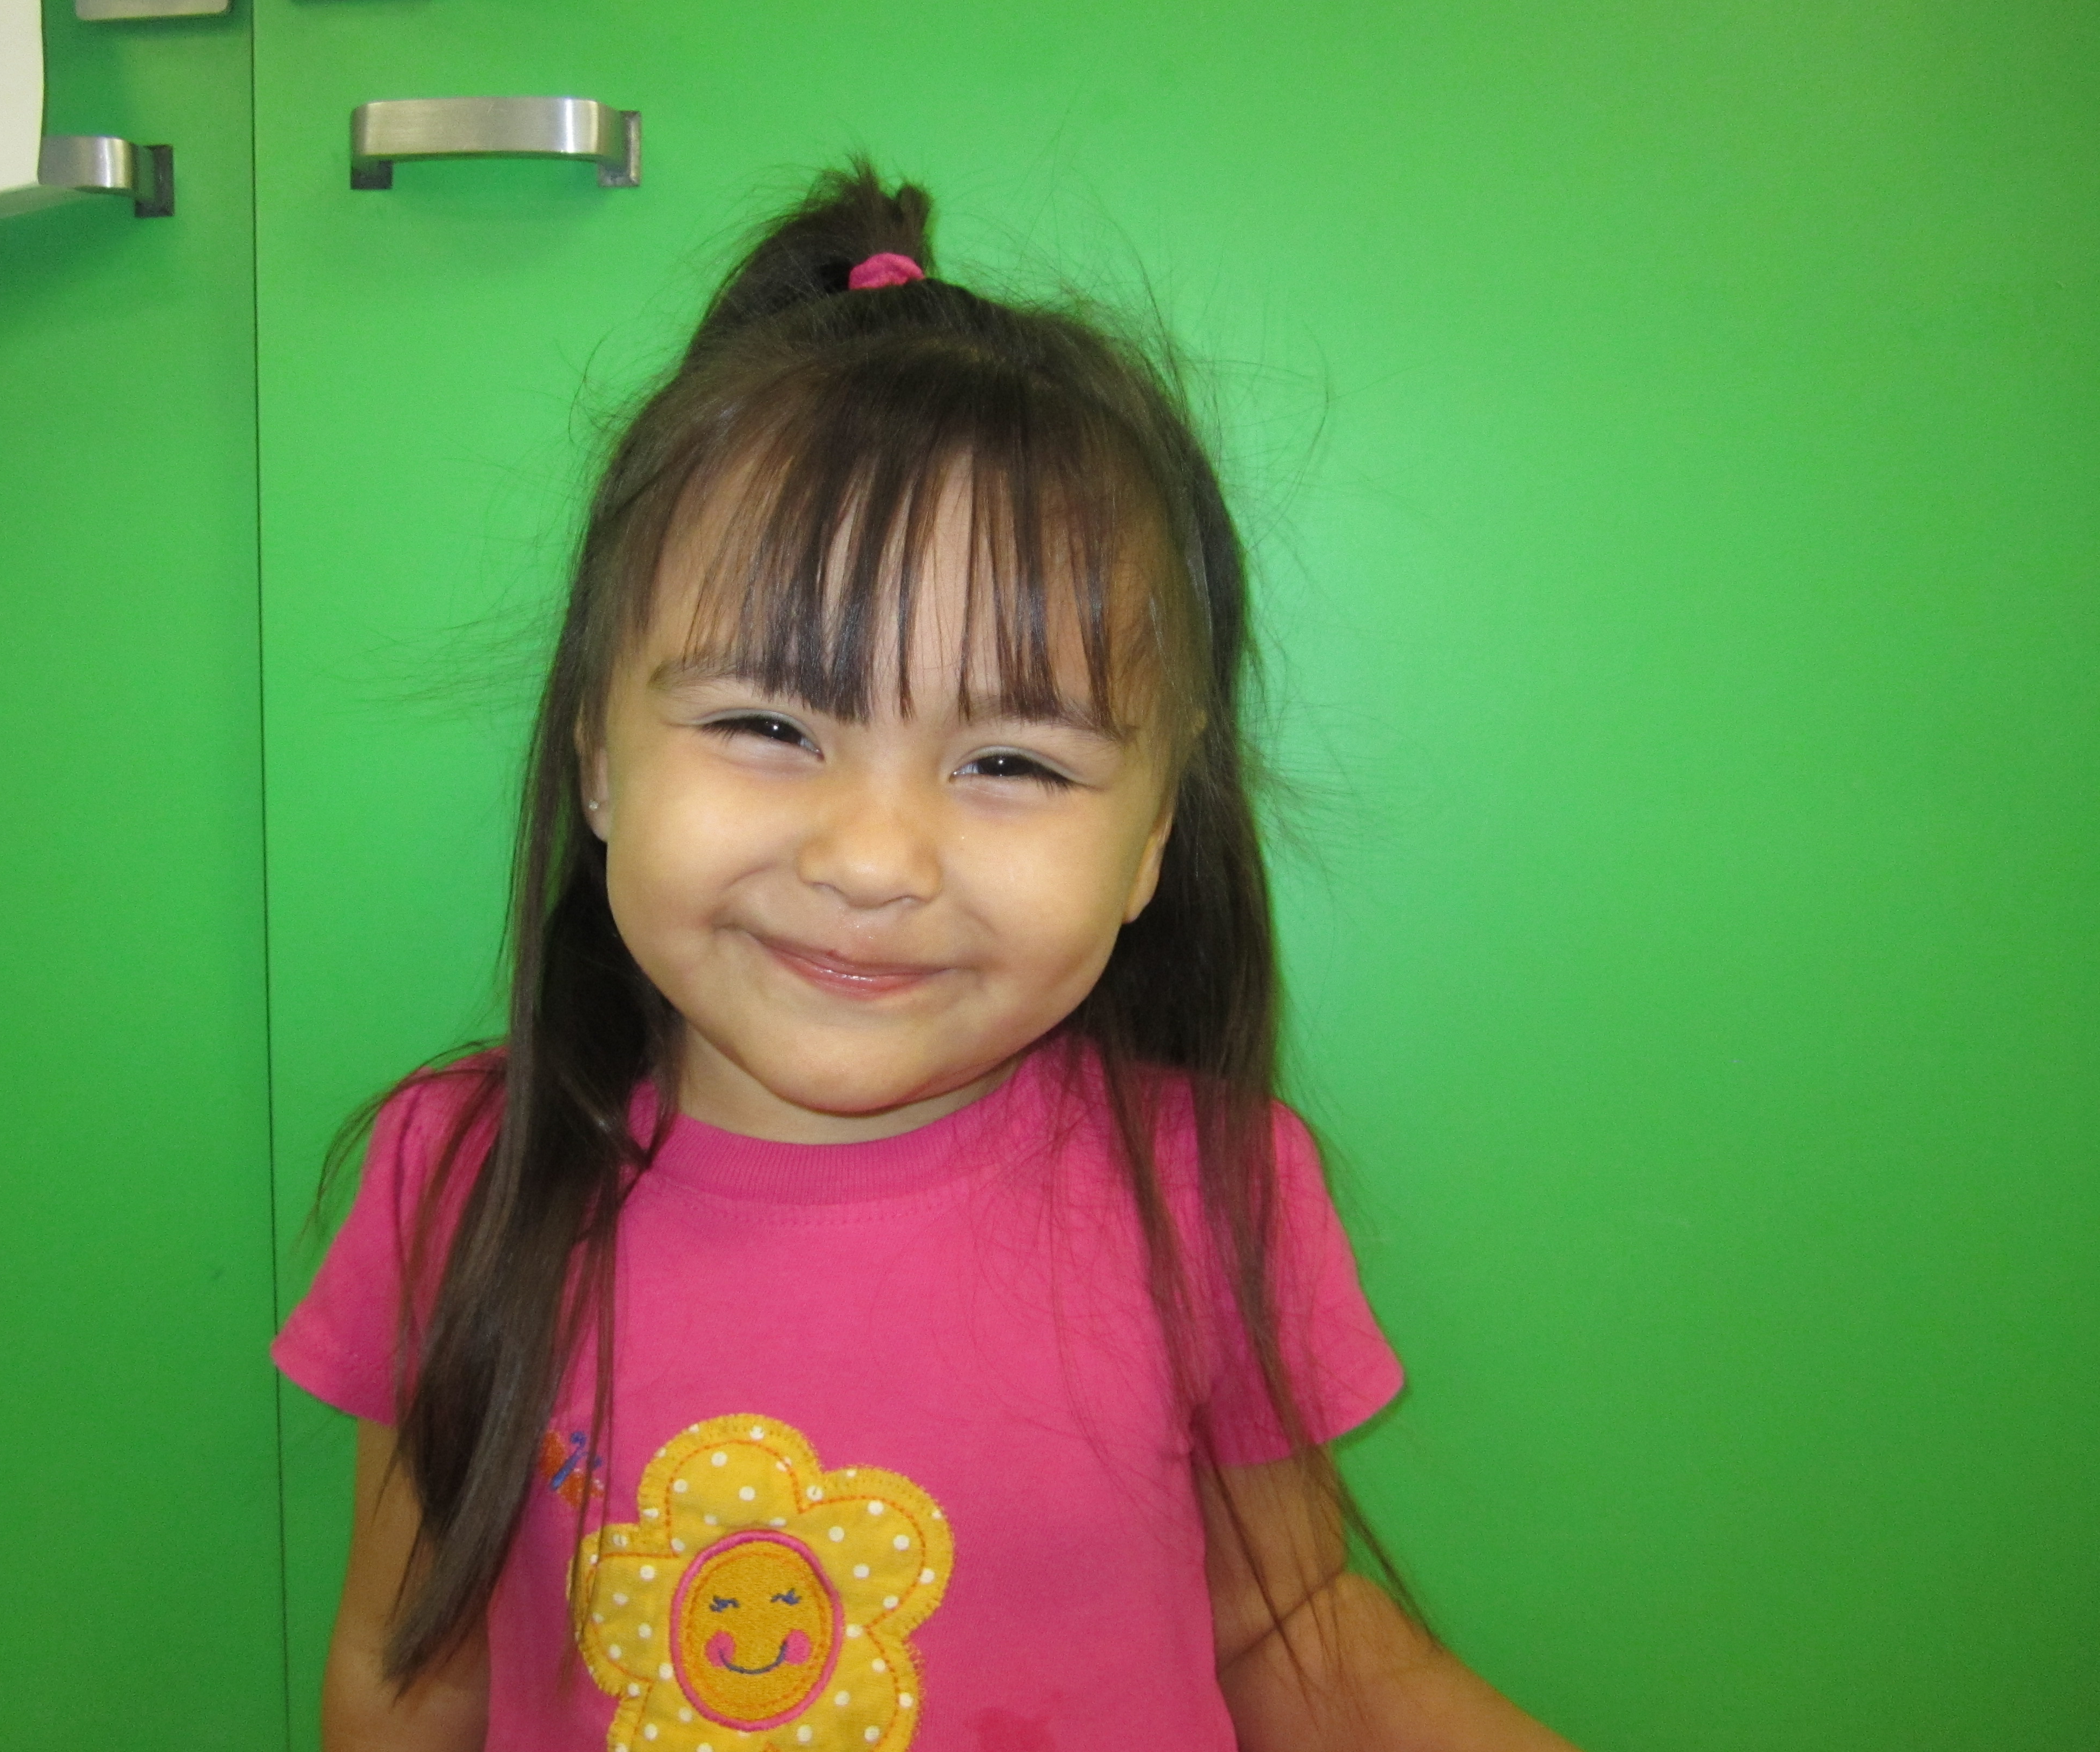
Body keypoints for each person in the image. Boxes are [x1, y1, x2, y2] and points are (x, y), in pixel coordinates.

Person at [276, 164, 1579, 1752]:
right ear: (598, 758)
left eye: (1011, 761)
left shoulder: (1215, 1188)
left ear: (1155, 835)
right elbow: (410, 1662)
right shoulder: (460, 1182)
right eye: (768, 725)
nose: (872, 861)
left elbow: (1289, 1627)